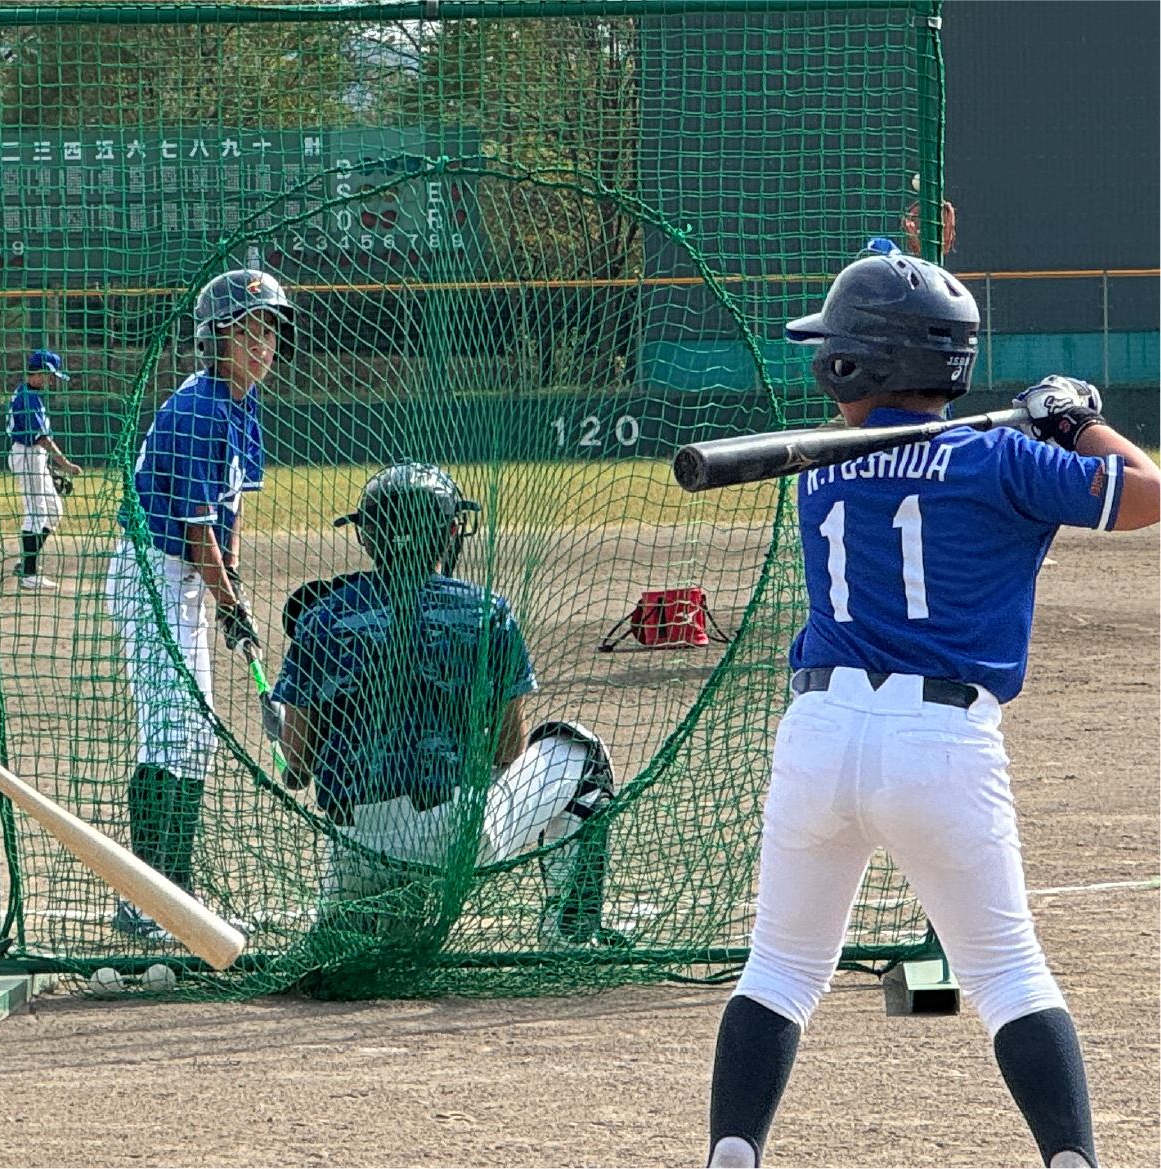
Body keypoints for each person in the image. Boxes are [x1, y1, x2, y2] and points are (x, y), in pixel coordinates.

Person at [703, 241, 1159, 1169]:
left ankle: (731, 1157)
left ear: (854, 364)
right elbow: (1148, 494)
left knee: (780, 970)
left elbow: (910, 463)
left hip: (818, 733)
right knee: (1008, 974)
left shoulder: (821, 467)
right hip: (941, 742)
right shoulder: (1001, 461)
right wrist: (1075, 423)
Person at [270, 463, 618, 942]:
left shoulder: (323, 616)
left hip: (355, 850)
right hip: (453, 838)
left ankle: (372, 909)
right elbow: (508, 751)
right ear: (451, 532)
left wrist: (287, 740)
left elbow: (295, 768)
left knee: (367, 942)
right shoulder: (487, 611)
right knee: (581, 749)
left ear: (367, 536)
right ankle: (569, 936)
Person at [104, 268, 293, 941]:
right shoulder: (198, 409)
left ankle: (173, 894)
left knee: (197, 734)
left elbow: (228, 517)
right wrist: (230, 602)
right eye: (248, 332)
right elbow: (196, 531)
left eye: (269, 331)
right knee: (171, 732)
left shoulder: (242, 406)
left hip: (185, 578)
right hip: (153, 574)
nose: (262, 345)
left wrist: (232, 594)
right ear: (215, 339)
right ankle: (145, 901)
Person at [6, 348, 81, 591]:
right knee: (36, 512)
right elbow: (41, 438)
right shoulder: (27, 398)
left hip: (33, 457)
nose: (51, 381)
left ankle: (25, 563)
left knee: (54, 510)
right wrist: (65, 464)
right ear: (38, 373)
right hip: (27, 454)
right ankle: (29, 575)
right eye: (49, 376)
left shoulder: (29, 393)